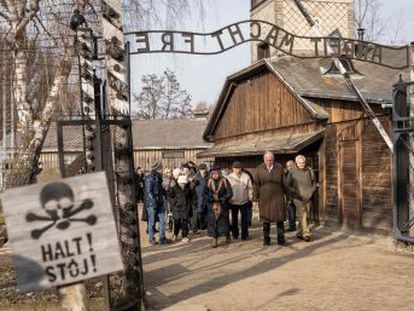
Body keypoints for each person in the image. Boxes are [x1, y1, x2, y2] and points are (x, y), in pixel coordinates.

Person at [253, 151, 288, 246]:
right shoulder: (259, 169)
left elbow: (284, 183)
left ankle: (281, 239)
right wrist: (255, 197)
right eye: (267, 160)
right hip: (265, 198)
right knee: (265, 220)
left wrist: (288, 196)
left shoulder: (279, 167)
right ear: (264, 159)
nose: (269, 161)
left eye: (271, 159)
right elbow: (256, 184)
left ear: (273, 159)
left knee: (280, 220)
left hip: (278, 198)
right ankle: (266, 239)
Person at [286, 155, 317, 242]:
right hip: (298, 197)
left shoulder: (309, 170)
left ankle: (299, 232)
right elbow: (287, 185)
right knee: (303, 214)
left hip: (308, 197)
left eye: (303, 162)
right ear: (296, 163)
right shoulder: (292, 172)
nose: (302, 164)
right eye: (300, 163)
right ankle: (306, 233)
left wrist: (312, 191)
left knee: (305, 216)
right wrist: (295, 191)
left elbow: (314, 182)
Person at [205, 166, 233, 248]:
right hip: (211, 205)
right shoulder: (208, 181)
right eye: (213, 173)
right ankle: (214, 239)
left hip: (222, 205)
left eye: (216, 173)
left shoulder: (224, 181)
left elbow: (229, 193)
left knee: (223, 222)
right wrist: (210, 198)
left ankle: (227, 235)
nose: (215, 175)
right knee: (213, 222)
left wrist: (223, 198)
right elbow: (204, 193)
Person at [227, 161, 253, 241]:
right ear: (233, 169)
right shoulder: (229, 177)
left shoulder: (246, 176)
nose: (237, 170)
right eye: (235, 168)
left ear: (241, 168)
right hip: (233, 201)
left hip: (244, 200)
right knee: (234, 219)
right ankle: (235, 234)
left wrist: (250, 198)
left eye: (238, 168)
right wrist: (228, 199)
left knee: (244, 219)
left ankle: (244, 235)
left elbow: (250, 188)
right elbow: (227, 189)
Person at [144, 161, 168, 245]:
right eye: (161, 167)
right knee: (152, 221)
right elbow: (148, 191)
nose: (162, 169)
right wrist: (154, 201)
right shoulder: (150, 178)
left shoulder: (159, 178)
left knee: (162, 220)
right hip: (152, 203)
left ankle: (162, 238)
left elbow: (161, 190)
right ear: (157, 168)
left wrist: (166, 192)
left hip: (159, 202)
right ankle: (151, 238)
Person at [168, 174, 195, 242]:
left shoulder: (188, 188)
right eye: (181, 183)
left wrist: (190, 204)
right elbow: (169, 196)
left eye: (184, 183)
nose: (183, 185)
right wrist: (174, 203)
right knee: (177, 222)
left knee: (185, 222)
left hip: (185, 207)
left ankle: (184, 235)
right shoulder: (174, 187)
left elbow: (192, 197)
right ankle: (175, 234)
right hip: (177, 208)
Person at [192, 163, 209, 233]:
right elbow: (192, 187)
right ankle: (194, 228)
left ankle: (206, 227)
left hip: (206, 197)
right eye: (201, 169)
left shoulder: (208, 176)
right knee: (197, 214)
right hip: (197, 197)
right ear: (199, 170)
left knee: (206, 213)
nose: (203, 171)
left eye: (204, 169)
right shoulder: (196, 177)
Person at [285, 160, 297, 232]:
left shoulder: (295, 174)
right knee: (289, 211)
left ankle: (293, 226)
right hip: (288, 195)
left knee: (293, 212)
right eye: (288, 166)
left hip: (294, 194)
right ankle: (291, 225)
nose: (289, 167)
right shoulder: (287, 173)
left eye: (290, 165)